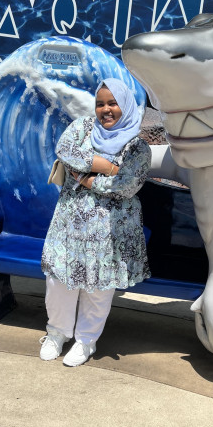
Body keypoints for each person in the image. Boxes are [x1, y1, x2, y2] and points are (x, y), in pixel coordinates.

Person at [40, 78, 151, 366]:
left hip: (111, 233)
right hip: (70, 224)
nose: (106, 109)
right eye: (100, 104)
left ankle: (86, 341)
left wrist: (87, 179)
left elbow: (126, 186)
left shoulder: (138, 147)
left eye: (113, 103)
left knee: (99, 288)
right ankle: (57, 333)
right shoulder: (83, 127)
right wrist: (105, 166)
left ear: (125, 106)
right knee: (59, 280)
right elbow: (65, 150)